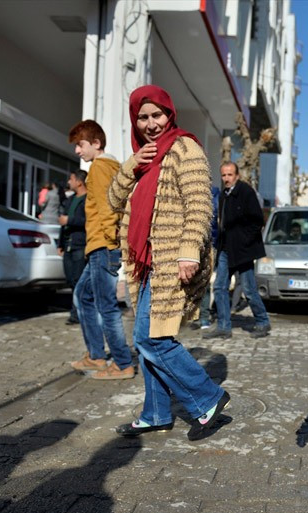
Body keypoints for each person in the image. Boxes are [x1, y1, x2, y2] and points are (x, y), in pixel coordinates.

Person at [108, 85, 230, 441]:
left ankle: (207, 398)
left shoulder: (183, 148)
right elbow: (113, 200)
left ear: (169, 114)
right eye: (142, 117)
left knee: (152, 338)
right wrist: (132, 165)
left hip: (173, 261)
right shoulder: (143, 158)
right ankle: (156, 413)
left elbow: (199, 204)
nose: (150, 123)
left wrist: (189, 250)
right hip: (145, 265)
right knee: (148, 340)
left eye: (156, 115)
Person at [67, 119, 134, 380]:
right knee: (83, 295)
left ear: (96, 143)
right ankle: (96, 356)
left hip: (104, 246)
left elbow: (108, 207)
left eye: (81, 145)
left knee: (106, 306)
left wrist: (109, 239)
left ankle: (122, 363)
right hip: (98, 246)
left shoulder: (100, 169)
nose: (77, 151)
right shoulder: (102, 167)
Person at [204, 161, 271, 340]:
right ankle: (224, 326)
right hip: (226, 249)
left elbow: (257, 221)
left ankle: (263, 321)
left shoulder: (246, 192)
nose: (226, 178)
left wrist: (244, 241)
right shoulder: (224, 194)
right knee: (219, 286)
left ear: (237, 175)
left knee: (249, 289)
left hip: (243, 250)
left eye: (229, 175)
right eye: (224, 175)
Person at [58, 170, 88, 325]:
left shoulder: (88, 200)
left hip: (80, 245)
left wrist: (70, 220)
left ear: (79, 181)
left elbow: (88, 221)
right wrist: (60, 243)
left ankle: (77, 314)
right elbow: (62, 222)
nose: (68, 182)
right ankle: (76, 312)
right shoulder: (70, 200)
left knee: (79, 281)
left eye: (71, 179)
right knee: (70, 280)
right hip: (68, 246)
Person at [197, 185, 221, 329]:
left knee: (204, 281)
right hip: (190, 242)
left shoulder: (214, 194)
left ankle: (203, 316)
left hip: (209, 242)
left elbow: (216, 217)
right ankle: (195, 315)